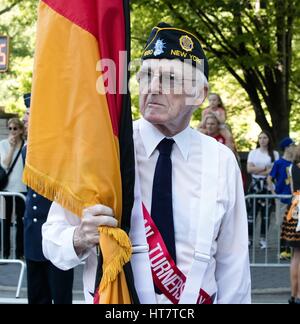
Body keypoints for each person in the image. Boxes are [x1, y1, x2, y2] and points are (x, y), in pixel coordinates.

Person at [42, 23, 251, 304]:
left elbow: (233, 264)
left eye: (169, 79)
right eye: (147, 76)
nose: (152, 88)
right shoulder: (106, 149)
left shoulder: (221, 160)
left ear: (199, 94)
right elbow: (52, 240)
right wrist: (80, 236)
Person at [23, 93, 74, 304]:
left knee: (60, 296)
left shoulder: (61, 148)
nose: (25, 118)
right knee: (36, 296)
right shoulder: (28, 147)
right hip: (33, 234)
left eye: (29, 113)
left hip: (55, 233)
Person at [247, 132, 279, 249]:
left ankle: (263, 239)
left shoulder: (274, 154)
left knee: (266, 214)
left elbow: (273, 171)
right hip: (255, 186)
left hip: (267, 186)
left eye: (265, 137)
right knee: (251, 214)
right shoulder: (253, 153)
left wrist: (260, 170)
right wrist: (265, 168)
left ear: (269, 139)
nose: (262, 140)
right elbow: (249, 169)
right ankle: (249, 239)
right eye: (260, 138)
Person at [0, 118, 26, 259]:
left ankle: (19, 254)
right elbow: (5, 165)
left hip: (22, 188)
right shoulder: (3, 144)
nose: (12, 131)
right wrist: (11, 147)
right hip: (6, 189)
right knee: (5, 220)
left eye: (15, 128)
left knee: (21, 221)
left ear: (21, 130)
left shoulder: (26, 145)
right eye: (9, 128)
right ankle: (5, 253)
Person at [267, 137, 295, 259]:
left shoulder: (294, 163)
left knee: (291, 224)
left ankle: (289, 250)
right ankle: (282, 249)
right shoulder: (278, 163)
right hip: (281, 197)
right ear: (286, 148)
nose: (294, 148)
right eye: (292, 145)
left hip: (293, 198)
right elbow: (269, 178)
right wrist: (274, 192)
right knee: (281, 223)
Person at [280, 145, 300, 304]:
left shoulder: (292, 167)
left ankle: (294, 295)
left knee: (296, 255)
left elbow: (294, 189)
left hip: (294, 208)